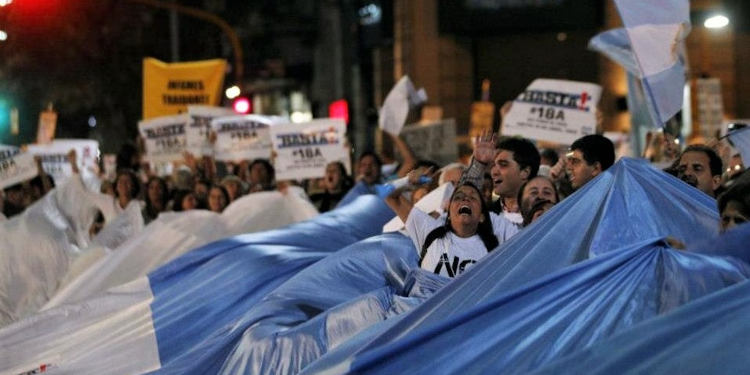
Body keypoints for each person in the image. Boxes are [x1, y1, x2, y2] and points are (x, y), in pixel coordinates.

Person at [386, 178, 518, 278]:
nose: (465, 200)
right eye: (458, 197)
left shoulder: (495, 249)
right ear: (448, 215)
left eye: (472, 198)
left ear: (482, 216)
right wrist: (408, 181)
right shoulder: (430, 230)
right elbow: (388, 194)